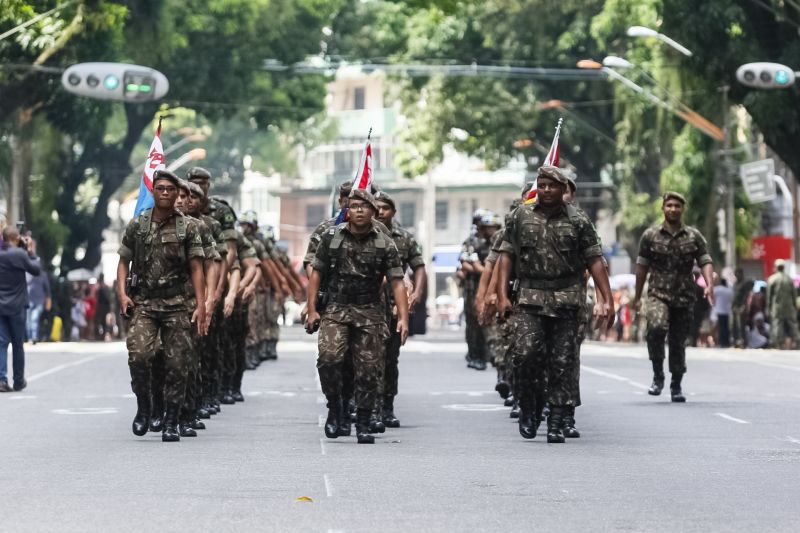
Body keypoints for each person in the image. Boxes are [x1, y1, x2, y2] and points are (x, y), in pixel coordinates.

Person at [496, 166, 615, 442]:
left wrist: (605, 298)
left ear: (564, 190)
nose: (547, 190)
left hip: (566, 300)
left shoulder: (579, 220)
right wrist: (502, 295)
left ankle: (558, 419)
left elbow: (595, 260)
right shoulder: (520, 216)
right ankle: (529, 405)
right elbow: (505, 255)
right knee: (525, 354)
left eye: (552, 185)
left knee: (562, 361)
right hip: (529, 298)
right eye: (542, 185)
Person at [306, 188, 409, 444]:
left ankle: (363, 421)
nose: (359, 211)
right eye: (353, 207)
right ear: (347, 211)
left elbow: (397, 281)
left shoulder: (384, 242)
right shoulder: (331, 237)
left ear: (373, 212)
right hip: (336, 309)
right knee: (329, 359)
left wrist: (403, 317)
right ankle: (335, 406)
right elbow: (316, 273)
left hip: (369, 311)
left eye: (364, 207)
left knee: (369, 367)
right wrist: (311, 309)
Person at [116, 169, 207, 442]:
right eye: (160, 188)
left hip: (178, 304)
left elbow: (196, 268)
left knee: (178, 365)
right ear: (153, 192)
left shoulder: (188, 228)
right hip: (145, 302)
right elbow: (123, 262)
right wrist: (122, 295)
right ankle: (144, 406)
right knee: (139, 356)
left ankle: (171, 420)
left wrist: (202, 305)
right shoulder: (137, 225)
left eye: (170, 189)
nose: (165, 193)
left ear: (177, 193)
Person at [634, 192, 714, 402]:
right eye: (669, 205)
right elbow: (641, 266)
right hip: (657, 294)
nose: (673, 209)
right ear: (663, 208)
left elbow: (705, 260)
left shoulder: (693, 236)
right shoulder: (650, 235)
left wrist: (709, 284)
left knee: (679, 341)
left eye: (677, 206)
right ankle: (658, 374)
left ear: (682, 209)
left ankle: (676, 384)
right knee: (656, 328)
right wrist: (637, 296)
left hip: (684, 296)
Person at [374, 191, 426, 427]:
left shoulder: (404, 238)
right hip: (370, 303)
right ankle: (366, 405)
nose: (380, 211)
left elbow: (419, 266)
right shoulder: (362, 234)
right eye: (377, 207)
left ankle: (386, 406)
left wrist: (416, 293)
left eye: (385, 208)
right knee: (367, 357)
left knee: (389, 358)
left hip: (394, 305)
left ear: (393, 212)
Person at [0, 227, 41, 392]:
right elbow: (36, 270)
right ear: (17, 238)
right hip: (17, 306)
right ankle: (18, 381)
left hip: (0, 306)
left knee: (1, 343)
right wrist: (31, 251)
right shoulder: (20, 255)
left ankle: (1, 379)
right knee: (17, 344)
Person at [766, 259, 799, 349]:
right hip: (789, 307)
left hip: (777, 307)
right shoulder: (789, 279)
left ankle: (778, 343)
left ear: (776, 267)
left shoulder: (772, 279)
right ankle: (796, 341)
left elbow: (769, 296)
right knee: (792, 324)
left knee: (777, 324)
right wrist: (795, 307)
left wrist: (768, 309)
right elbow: (794, 295)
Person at [26, 266, 51, 343]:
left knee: (34, 318)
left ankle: (34, 337)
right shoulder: (26, 273)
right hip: (28, 300)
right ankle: (29, 337)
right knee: (28, 320)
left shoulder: (43, 274)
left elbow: (47, 289)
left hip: (39, 300)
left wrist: (48, 301)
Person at [713, 277, 733, 348]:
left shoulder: (717, 289)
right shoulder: (729, 291)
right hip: (727, 311)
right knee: (726, 327)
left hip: (719, 310)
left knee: (721, 328)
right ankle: (726, 342)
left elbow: (713, 297)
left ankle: (721, 342)